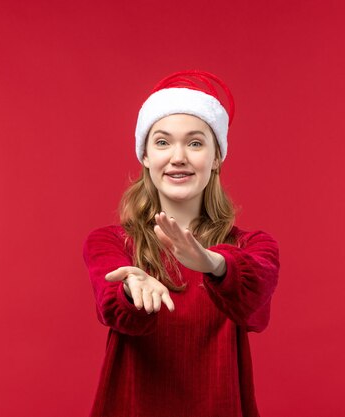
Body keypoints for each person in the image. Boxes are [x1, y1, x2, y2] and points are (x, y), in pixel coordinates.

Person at [82, 70, 280, 417]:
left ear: (217, 157)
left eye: (195, 142)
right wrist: (132, 288)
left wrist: (214, 264)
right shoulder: (109, 242)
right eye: (162, 142)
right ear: (145, 155)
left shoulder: (253, 246)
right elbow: (112, 306)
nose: (178, 157)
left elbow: (255, 304)